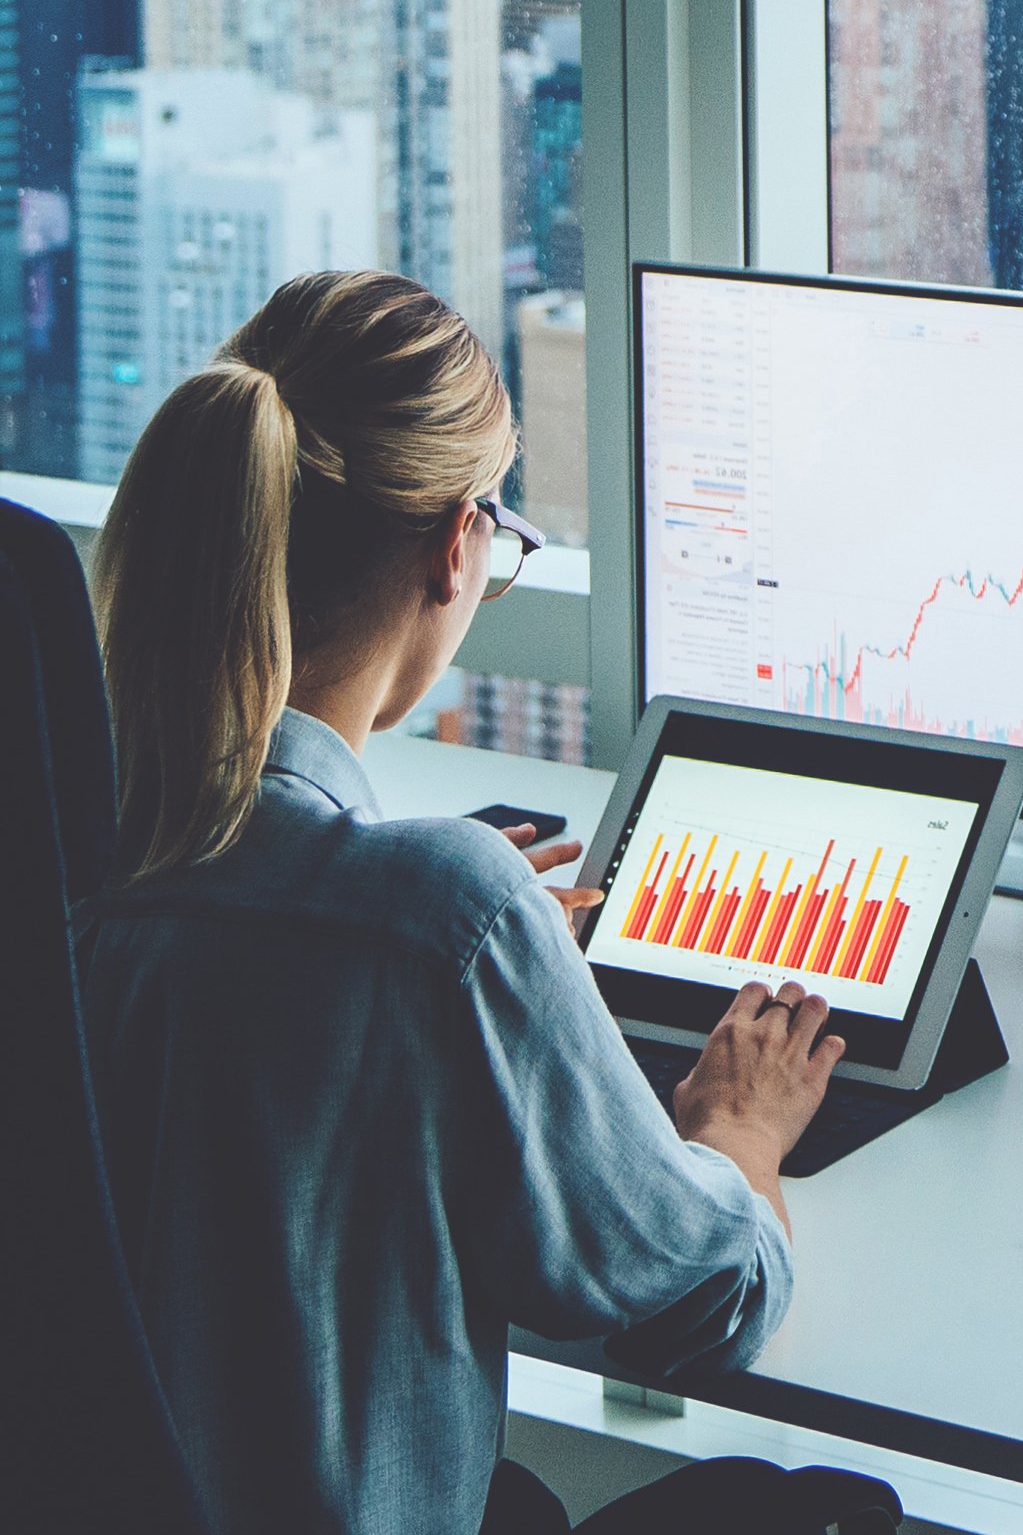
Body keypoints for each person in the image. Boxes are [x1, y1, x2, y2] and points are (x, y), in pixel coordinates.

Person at [74, 272, 897, 1535]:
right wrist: (737, 1132)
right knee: (820, 1507)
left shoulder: (72, 845)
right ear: (458, 545)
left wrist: (435, 930)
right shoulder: (446, 919)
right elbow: (697, 1308)